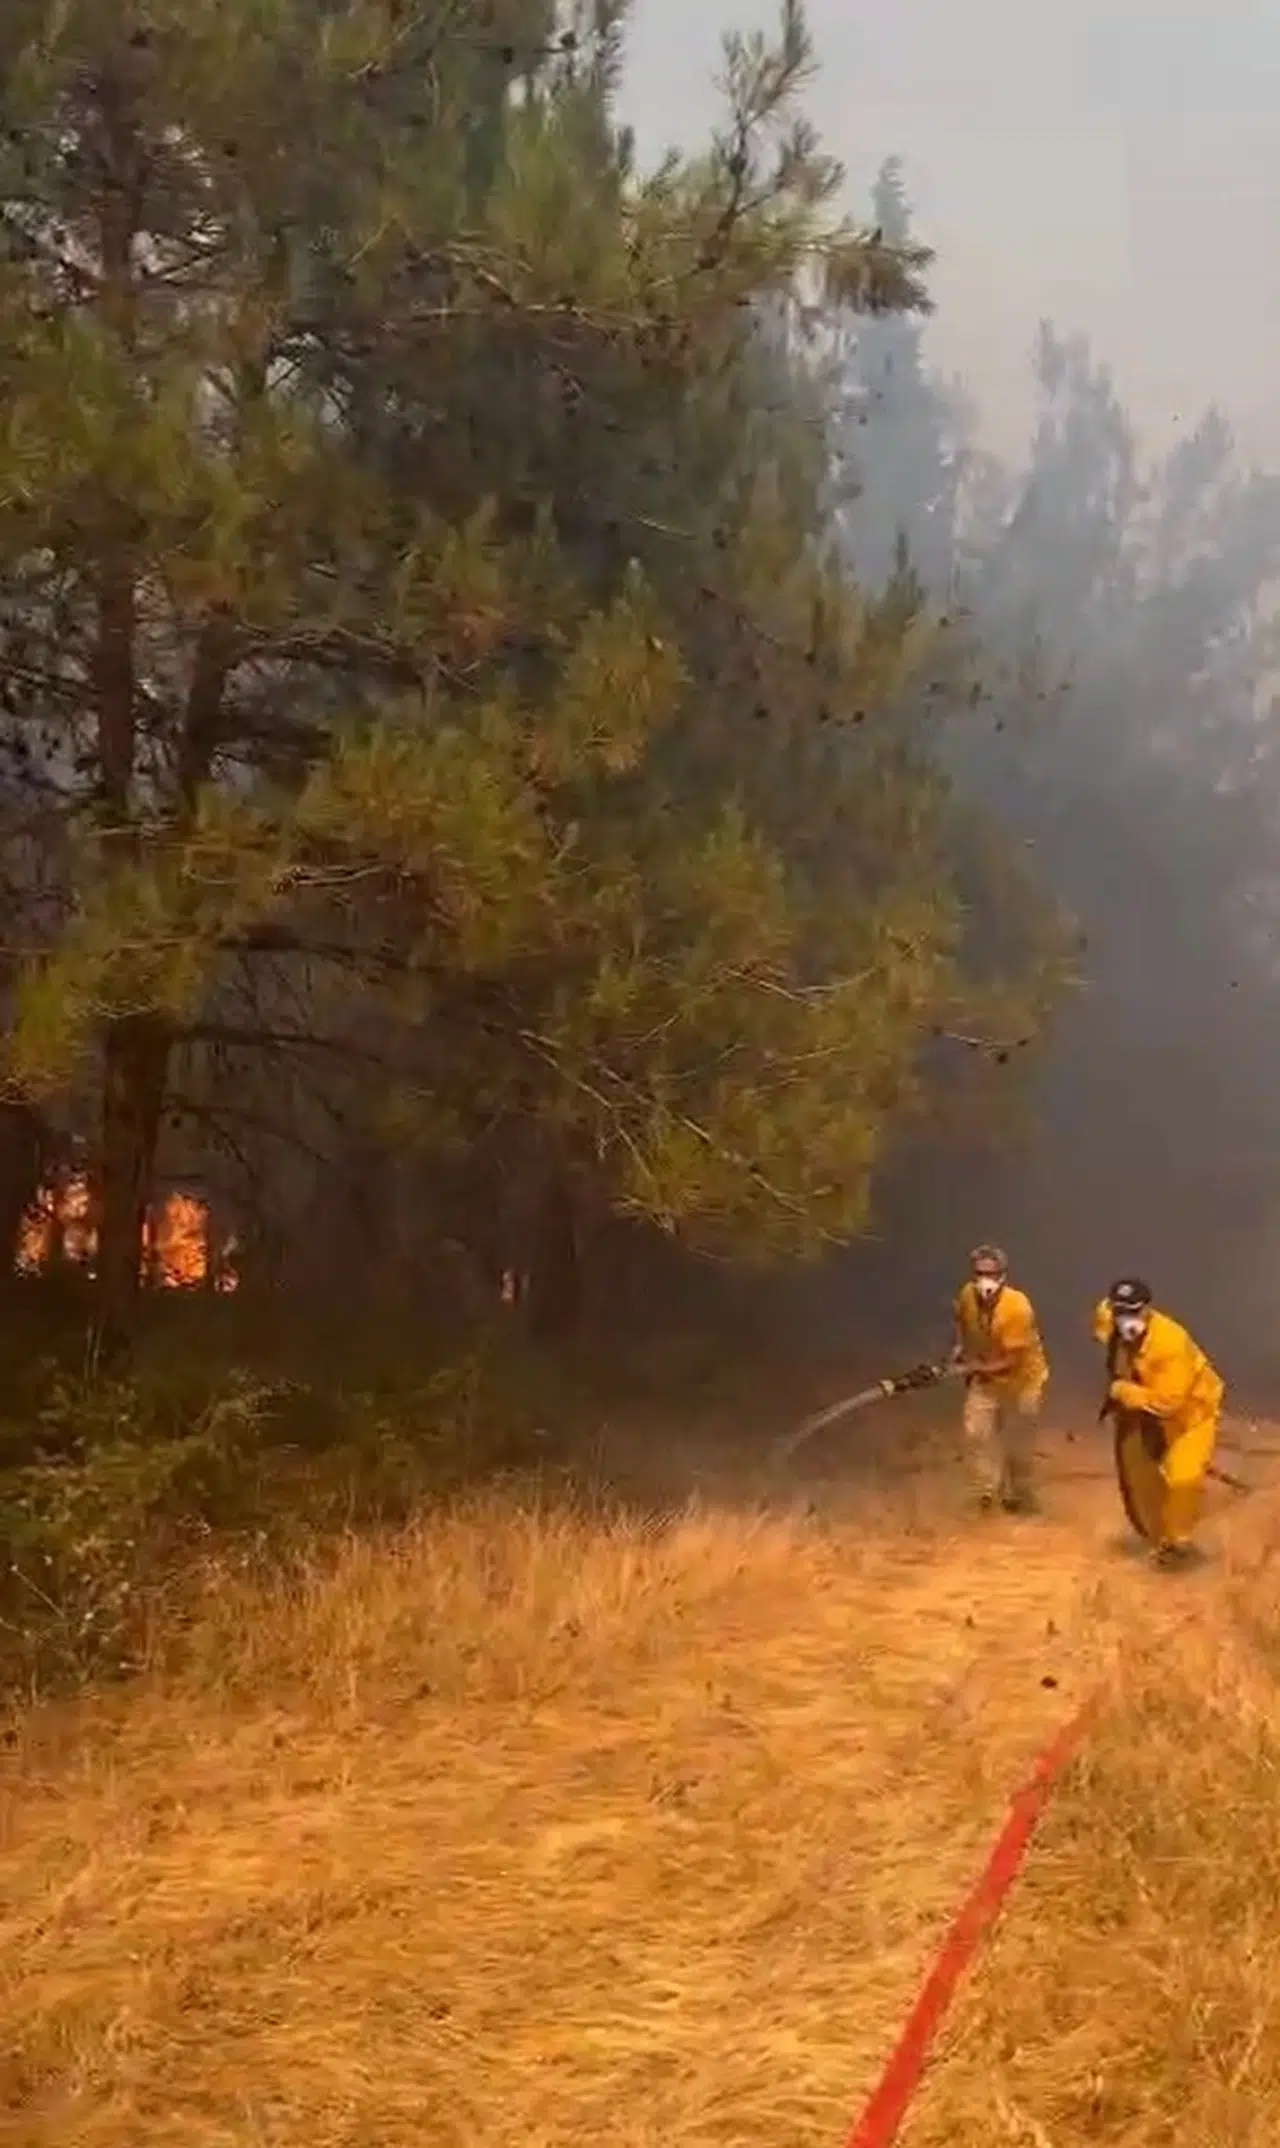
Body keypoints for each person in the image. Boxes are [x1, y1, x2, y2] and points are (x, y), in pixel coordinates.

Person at [1094, 1277, 1224, 1568]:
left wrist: (1121, 1390)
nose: (1127, 1320)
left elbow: (1168, 1403)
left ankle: (1179, 1543)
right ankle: (1157, 1538)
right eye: (1120, 1312)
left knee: (1183, 1478)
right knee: (1142, 1481)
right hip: (1145, 1413)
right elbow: (1102, 1326)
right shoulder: (1108, 1319)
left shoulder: (1171, 1343)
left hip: (1191, 1416)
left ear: (1148, 1310)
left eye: (1134, 1312)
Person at [951, 1244, 1049, 1514]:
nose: (986, 1280)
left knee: (1017, 1442)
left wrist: (973, 1368)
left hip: (1023, 1381)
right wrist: (960, 1349)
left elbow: (1011, 1361)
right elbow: (961, 1320)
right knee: (976, 1433)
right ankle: (985, 1493)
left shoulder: (1017, 1308)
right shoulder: (967, 1295)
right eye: (980, 1273)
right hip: (985, 1375)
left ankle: (1019, 1494)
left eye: (992, 1274)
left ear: (1004, 1275)